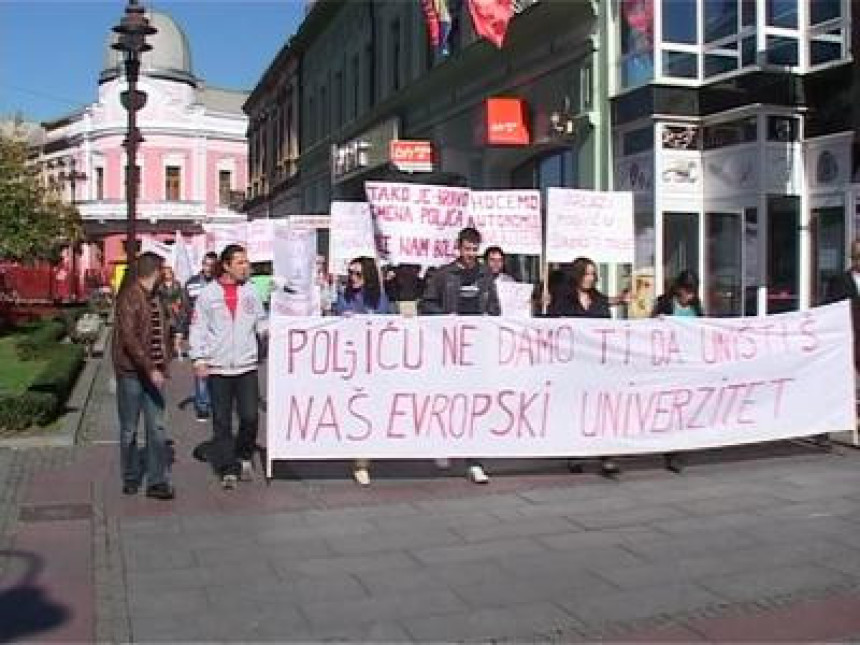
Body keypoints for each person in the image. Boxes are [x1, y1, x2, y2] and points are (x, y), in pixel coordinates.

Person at [420, 227, 500, 484]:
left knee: (474, 404)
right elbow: (426, 304)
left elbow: (495, 306)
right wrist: (446, 318)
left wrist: (491, 319)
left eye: (475, 250)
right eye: (467, 249)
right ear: (459, 247)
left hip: (478, 349)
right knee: (448, 399)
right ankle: (442, 445)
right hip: (450, 347)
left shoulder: (486, 275)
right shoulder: (444, 275)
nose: (470, 254)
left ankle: (474, 460)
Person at [189, 244, 267, 490]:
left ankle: (244, 455)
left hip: (246, 365)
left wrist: (273, 333)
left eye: (247, 262)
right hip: (219, 367)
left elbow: (261, 322)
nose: (246, 267)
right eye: (241, 263)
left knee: (250, 416)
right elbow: (198, 328)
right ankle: (227, 468)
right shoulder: (208, 295)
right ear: (226, 266)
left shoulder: (252, 292)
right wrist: (199, 359)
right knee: (221, 420)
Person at [547, 257, 628, 477]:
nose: (590, 278)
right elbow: (551, 326)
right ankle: (575, 453)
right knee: (576, 410)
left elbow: (606, 329)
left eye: (593, 274)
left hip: (596, 366)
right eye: (586, 273)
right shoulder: (563, 299)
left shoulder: (599, 300)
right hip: (573, 366)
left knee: (600, 410)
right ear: (577, 275)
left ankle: (607, 456)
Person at [112, 252, 174, 500]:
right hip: (132, 373)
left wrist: (166, 356)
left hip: (155, 372)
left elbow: (164, 331)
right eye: (163, 270)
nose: (166, 275)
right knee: (129, 428)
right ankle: (130, 476)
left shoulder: (157, 298)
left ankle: (157, 481)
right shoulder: (130, 297)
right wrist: (150, 368)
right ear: (154, 271)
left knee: (157, 428)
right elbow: (129, 340)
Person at [334, 256, 393, 486]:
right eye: (350, 273)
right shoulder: (344, 297)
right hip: (351, 364)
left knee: (371, 411)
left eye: (358, 274)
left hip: (375, 364)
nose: (353, 278)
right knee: (357, 410)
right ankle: (360, 463)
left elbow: (385, 323)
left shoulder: (380, 298)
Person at [652, 269, 704, 473]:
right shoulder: (665, 304)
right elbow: (651, 328)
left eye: (692, 292)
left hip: (688, 365)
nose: (689, 296)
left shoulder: (696, 307)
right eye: (686, 292)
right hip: (668, 364)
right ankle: (669, 449)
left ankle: (677, 451)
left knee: (683, 409)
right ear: (678, 289)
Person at [184, 252, 218, 422]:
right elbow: (185, 308)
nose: (209, 268)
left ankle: (217, 402)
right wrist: (180, 331)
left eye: (212, 265)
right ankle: (203, 405)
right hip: (199, 331)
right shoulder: (192, 284)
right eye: (206, 264)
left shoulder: (221, 284)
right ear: (202, 265)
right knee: (201, 368)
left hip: (218, 333)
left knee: (218, 369)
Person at [157, 265, 187, 360]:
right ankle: (170, 351)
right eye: (165, 273)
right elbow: (159, 299)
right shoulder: (160, 286)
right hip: (165, 312)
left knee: (178, 333)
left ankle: (178, 350)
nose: (167, 274)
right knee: (167, 333)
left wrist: (178, 304)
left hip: (176, 311)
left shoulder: (177, 284)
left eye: (169, 272)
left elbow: (181, 297)